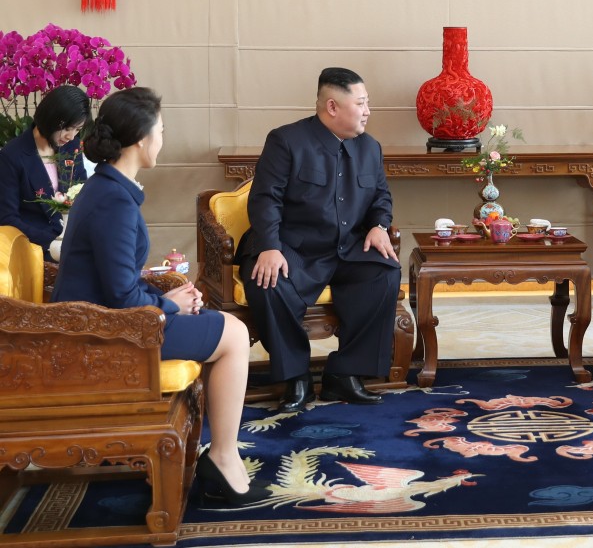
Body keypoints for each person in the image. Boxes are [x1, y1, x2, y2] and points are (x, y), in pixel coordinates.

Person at [51, 88, 269, 506]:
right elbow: (120, 297)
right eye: (162, 131)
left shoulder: (108, 189)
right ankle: (222, 457)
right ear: (141, 139)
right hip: (104, 338)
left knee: (229, 329)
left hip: (101, 324)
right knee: (235, 335)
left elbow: (119, 282)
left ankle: (222, 456)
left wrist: (169, 296)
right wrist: (172, 304)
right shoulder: (113, 200)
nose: (163, 139)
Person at [236, 67, 400, 412]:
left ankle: (346, 373)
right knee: (267, 281)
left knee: (383, 273)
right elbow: (265, 198)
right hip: (292, 245)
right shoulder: (286, 140)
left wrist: (379, 225)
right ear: (332, 107)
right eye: (362, 103)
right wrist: (269, 246)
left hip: (346, 248)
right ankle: (296, 378)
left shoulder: (370, 148)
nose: (368, 111)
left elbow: (381, 197)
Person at [0, 85, 90, 259]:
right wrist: (53, 243)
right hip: (34, 249)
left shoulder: (72, 147)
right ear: (50, 117)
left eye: (77, 129)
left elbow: (83, 194)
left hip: (73, 242)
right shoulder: (11, 156)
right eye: (68, 128)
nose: (71, 136)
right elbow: (7, 218)